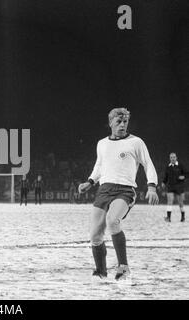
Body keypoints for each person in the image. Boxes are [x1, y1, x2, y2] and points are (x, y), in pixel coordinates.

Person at [78, 108, 159, 281]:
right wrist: (90, 182)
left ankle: (123, 267)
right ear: (110, 123)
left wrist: (152, 187)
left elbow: (148, 164)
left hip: (125, 190)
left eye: (125, 122)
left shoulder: (136, 142)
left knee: (113, 220)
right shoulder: (102, 143)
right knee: (95, 235)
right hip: (103, 190)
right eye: (118, 122)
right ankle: (101, 271)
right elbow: (99, 166)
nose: (122, 125)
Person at [162, 153, 186, 222]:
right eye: (171, 157)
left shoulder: (180, 166)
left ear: (176, 158)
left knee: (180, 202)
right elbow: (166, 177)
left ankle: (183, 217)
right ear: (170, 158)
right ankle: (168, 218)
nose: (173, 158)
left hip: (179, 186)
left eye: (174, 157)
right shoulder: (168, 167)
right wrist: (164, 182)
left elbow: (187, 173)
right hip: (170, 186)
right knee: (169, 201)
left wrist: (183, 176)